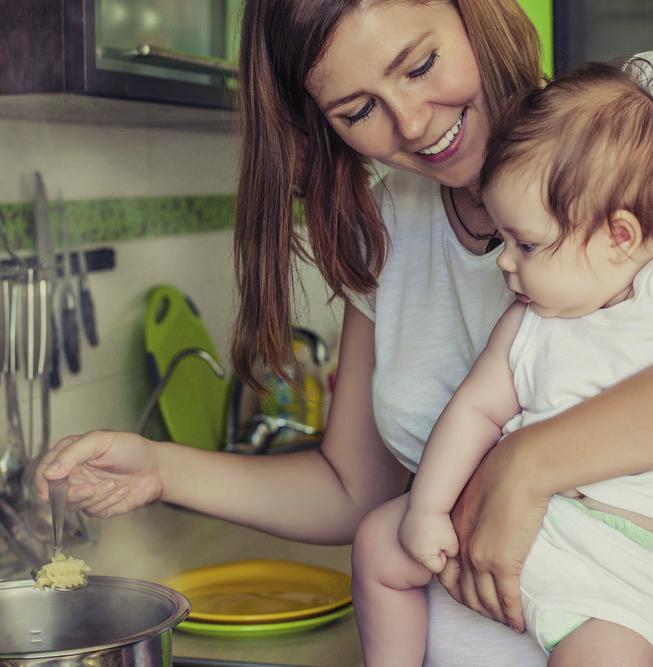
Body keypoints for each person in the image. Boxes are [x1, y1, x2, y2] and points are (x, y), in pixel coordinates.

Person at [33, 1, 653, 664]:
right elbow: (350, 488)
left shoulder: (631, 146)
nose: (412, 123)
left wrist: (524, 464)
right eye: (358, 111)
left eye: (419, 64)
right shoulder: (385, 225)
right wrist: (159, 468)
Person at [352, 62, 653, 667]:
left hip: (623, 567)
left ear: (620, 237)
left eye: (527, 244)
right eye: (503, 241)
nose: (505, 264)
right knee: (378, 543)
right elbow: (475, 409)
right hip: (530, 530)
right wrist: (429, 508)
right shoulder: (528, 323)